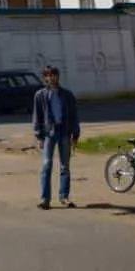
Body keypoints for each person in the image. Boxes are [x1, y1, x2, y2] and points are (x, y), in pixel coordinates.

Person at [32, 64, 81, 209]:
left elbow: (74, 115)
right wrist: (39, 136)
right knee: (46, 165)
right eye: (48, 75)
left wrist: (75, 134)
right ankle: (45, 199)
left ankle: (64, 196)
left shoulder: (67, 95)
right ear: (45, 78)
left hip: (64, 132)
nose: (51, 78)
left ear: (57, 76)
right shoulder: (40, 95)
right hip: (48, 133)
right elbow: (37, 116)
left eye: (53, 75)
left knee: (65, 166)